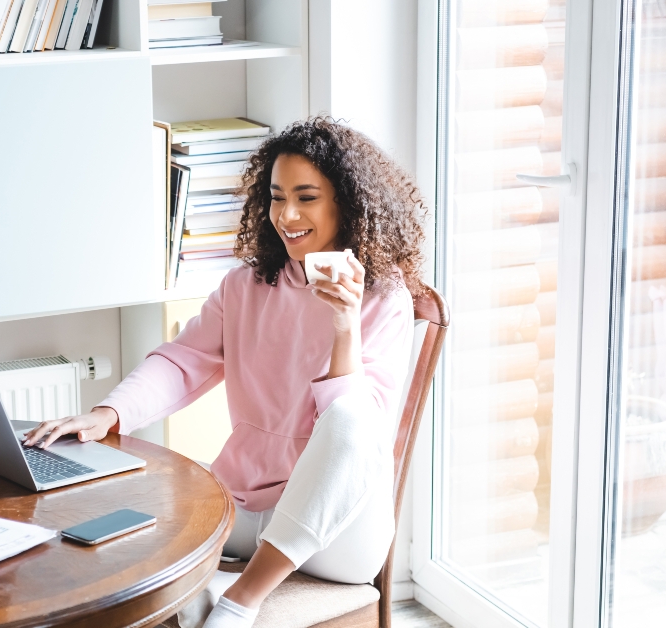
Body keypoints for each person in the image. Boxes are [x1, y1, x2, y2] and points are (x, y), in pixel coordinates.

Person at [24, 117, 428, 628]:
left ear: (344, 203)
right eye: (277, 197)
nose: (287, 214)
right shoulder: (246, 287)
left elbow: (354, 428)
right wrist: (108, 413)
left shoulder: (383, 296)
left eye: (307, 197)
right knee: (112, 543)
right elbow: (182, 361)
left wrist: (344, 325)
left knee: (349, 419)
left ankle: (242, 598)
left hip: (335, 534)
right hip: (242, 506)